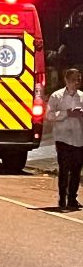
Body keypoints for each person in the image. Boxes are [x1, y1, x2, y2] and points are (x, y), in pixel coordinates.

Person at [47, 68, 83, 210]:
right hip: (62, 138)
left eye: (79, 79)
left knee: (76, 169)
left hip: (79, 138)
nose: (77, 82)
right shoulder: (57, 96)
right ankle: (62, 198)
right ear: (67, 80)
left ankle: (72, 198)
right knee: (64, 168)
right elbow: (49, 115)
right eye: (74, 79)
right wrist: (65, 113)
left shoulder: (81, 96)